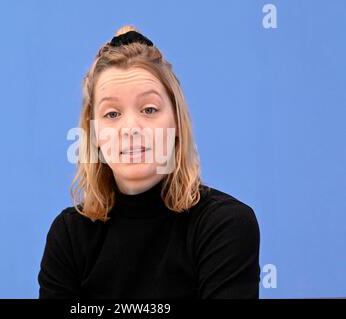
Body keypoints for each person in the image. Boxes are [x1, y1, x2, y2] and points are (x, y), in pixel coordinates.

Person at [38, 25, 260, 299]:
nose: (130, 127)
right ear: (93, 134)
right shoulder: (69, 236)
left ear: (177, 123)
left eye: (149, 109)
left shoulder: (224, 225)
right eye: (112, 114)